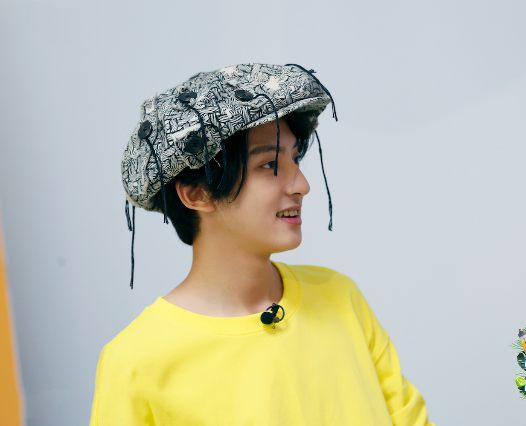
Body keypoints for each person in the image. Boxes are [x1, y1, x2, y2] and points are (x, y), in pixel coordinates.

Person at [89, 63, 436, 425]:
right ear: (197, 193)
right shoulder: (136, 362)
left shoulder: (340, 297)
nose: (302, 185)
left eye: (295, 158)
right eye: (270, 164)